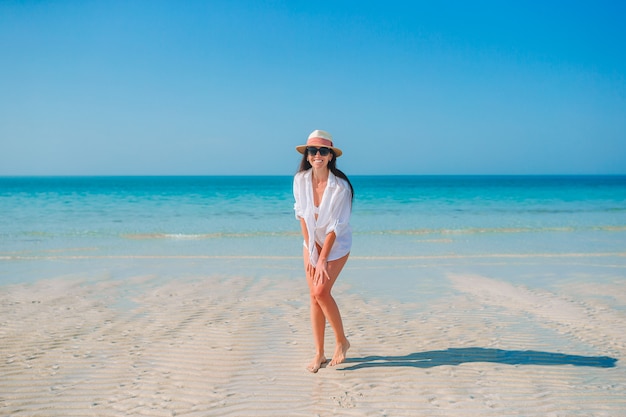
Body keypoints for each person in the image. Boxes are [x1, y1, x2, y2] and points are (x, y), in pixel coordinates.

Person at [293, 129, 354, 373]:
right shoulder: (300, 180)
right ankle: (319, 353)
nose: (317, 154)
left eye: (323, 151)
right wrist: (311, 249)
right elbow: (301, 215)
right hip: (311, 242)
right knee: (313, 296)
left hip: (336, 245)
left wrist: (322, 258)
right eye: (313, 150)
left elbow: (334, 228)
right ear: (307, 156)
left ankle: (342, 341)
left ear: (330, 156)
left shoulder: (341, 188)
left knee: (321, 291)